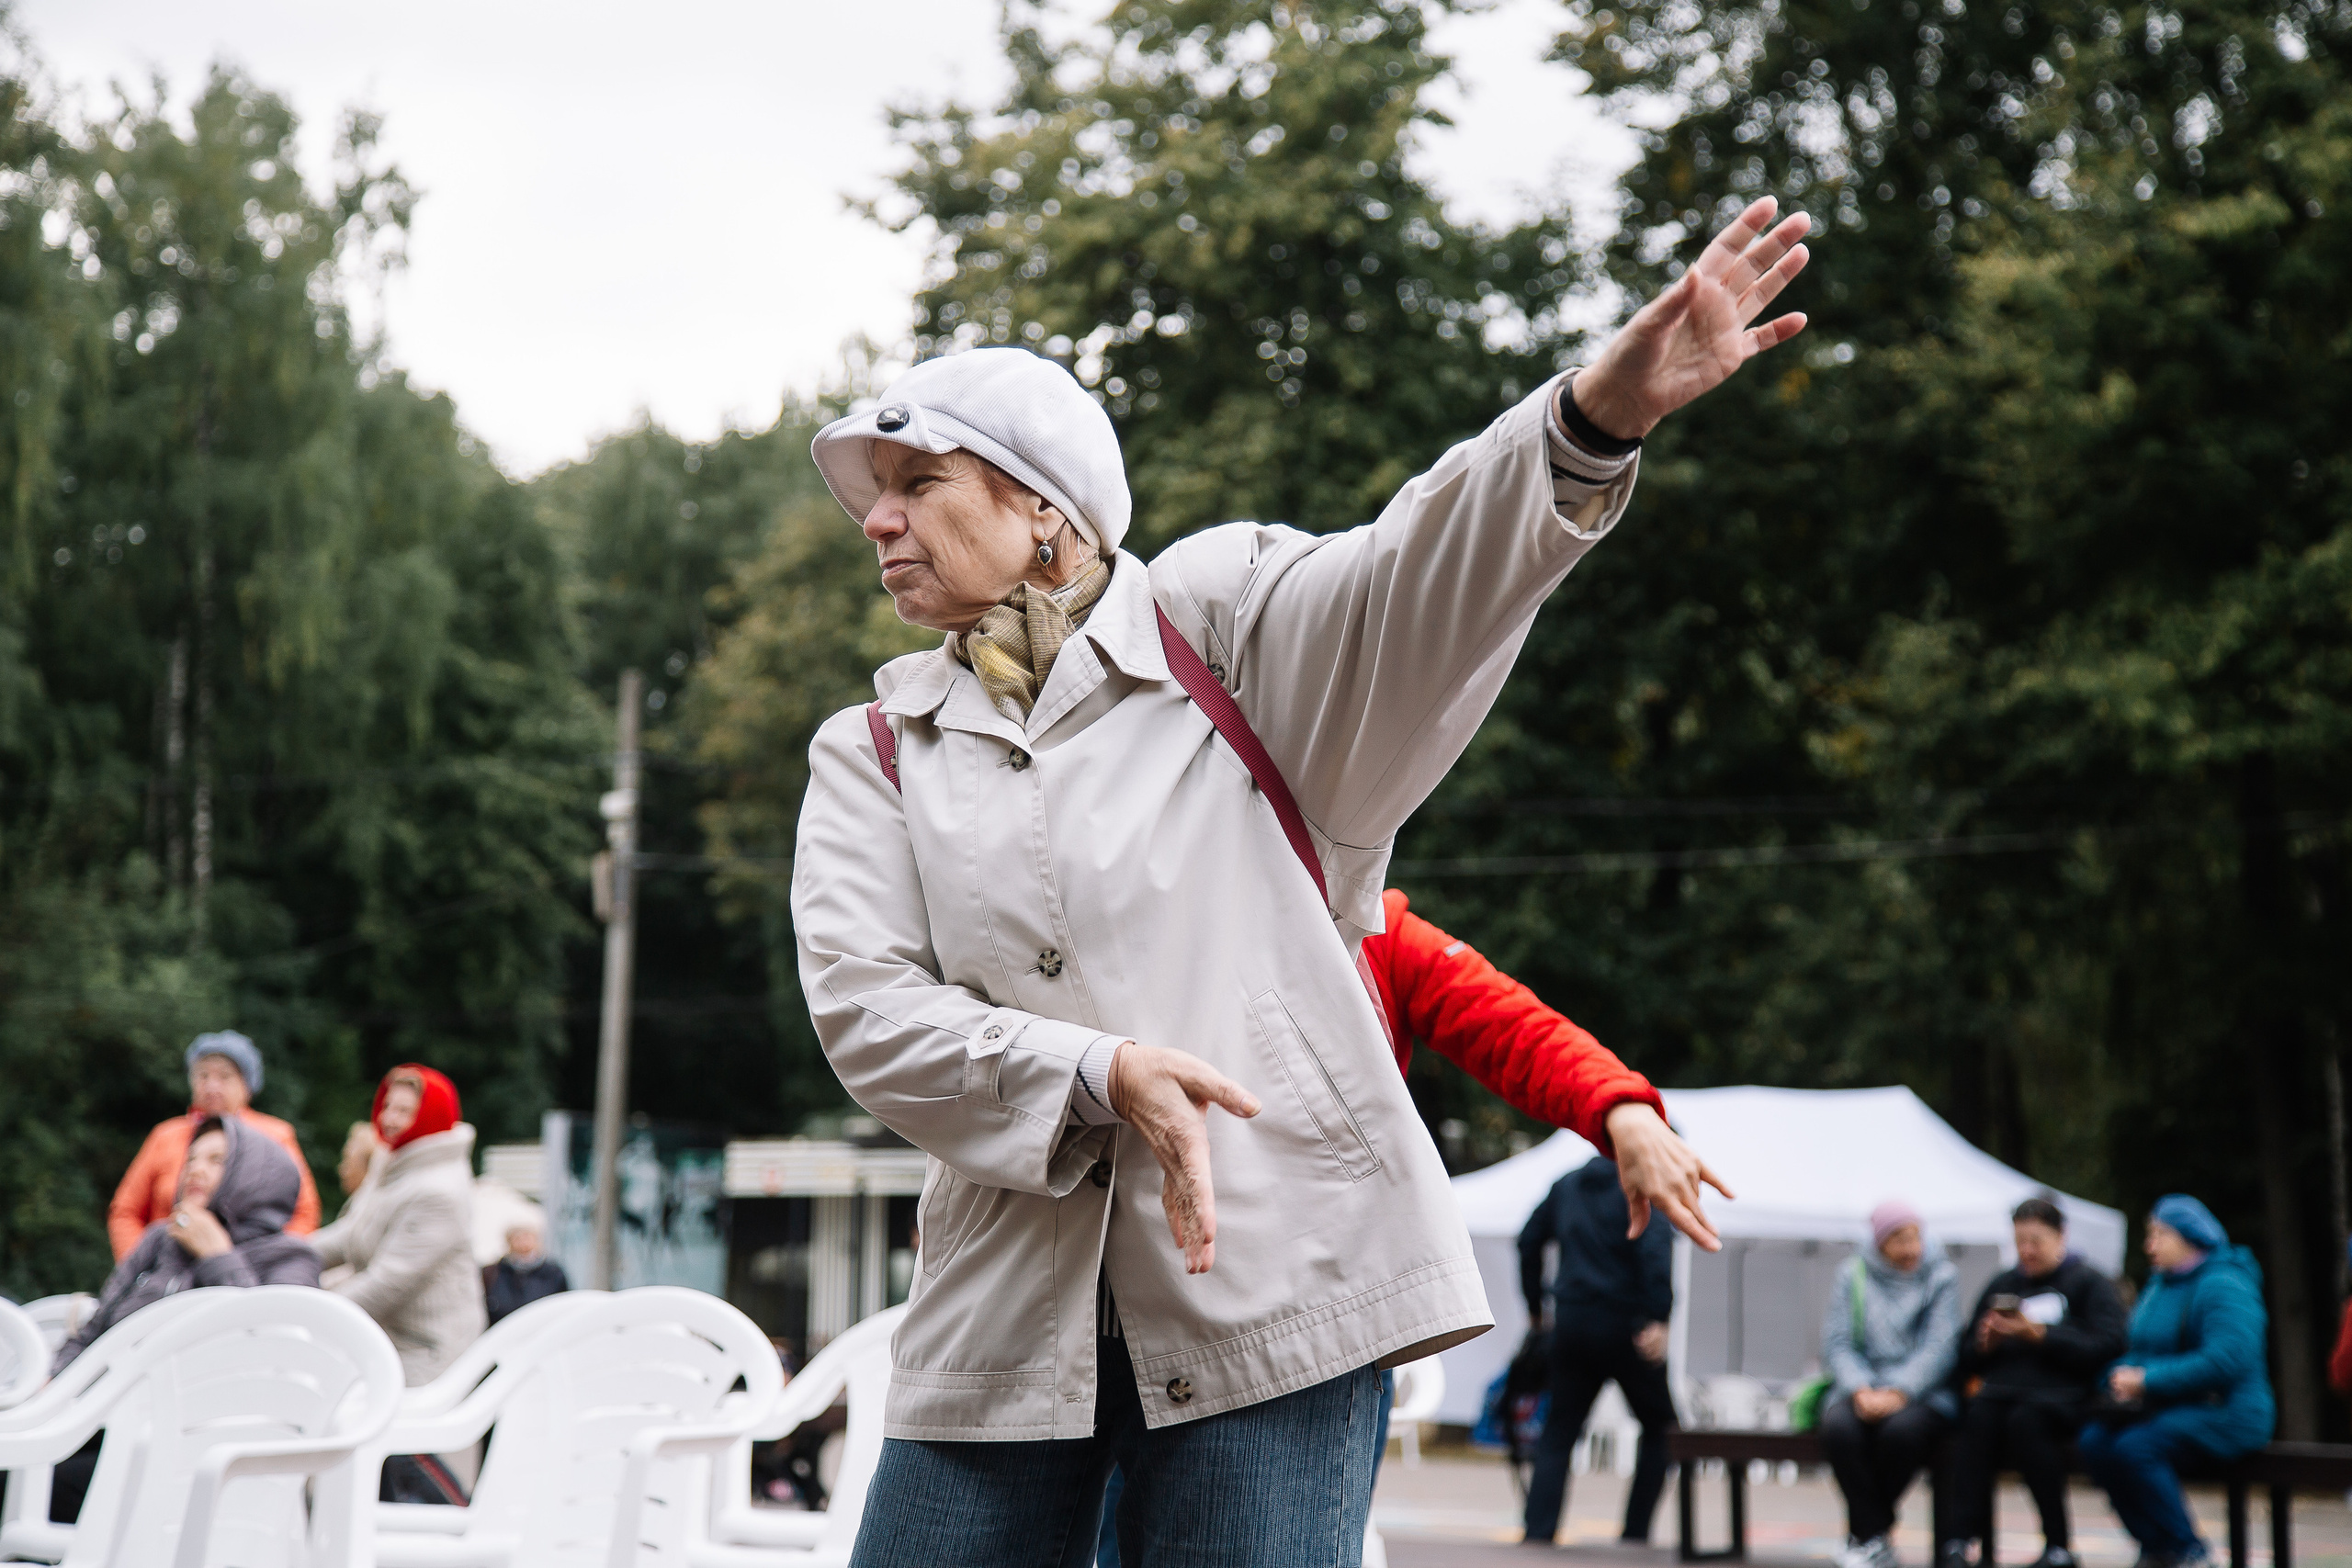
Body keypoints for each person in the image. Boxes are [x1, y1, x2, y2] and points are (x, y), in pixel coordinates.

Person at [795, 195, 1808, 1566]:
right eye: (874, 498)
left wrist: (1586, 423)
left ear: (1041, 507)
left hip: (1280, 1280)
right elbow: (868, 1011)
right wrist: (1100, 1070)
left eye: (919, 485)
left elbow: (1418, 580)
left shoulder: (1221, 626)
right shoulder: (873, 748)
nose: (880, 523)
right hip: (997, 1310)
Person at [1095, 889, 1725, 1563]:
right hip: (1118, 1303)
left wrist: (1617, 1105)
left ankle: (1544, 1528)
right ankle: (1598, 1533)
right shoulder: (1150, 901)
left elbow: (1505, 1022)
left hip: (1289, 1319)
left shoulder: (1369, 922)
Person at [45, 1116, 320, 1522]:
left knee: (47, 1483)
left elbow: (273, 1357)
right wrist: (51, 1383)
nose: (195, 1168)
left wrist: (218, 1257)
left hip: (198, 1450)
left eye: (216, 1159)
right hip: (101, 1420)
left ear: (257, 1176)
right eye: (191, 1158)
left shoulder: (291, 1259)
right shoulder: (160, 1238)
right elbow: (94, 1330)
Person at [2076, 1196, 2275, 1568]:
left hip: (2230, 1411)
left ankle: (2189, 1550)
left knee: (2137, 1447)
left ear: (2190, 1237)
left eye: (2158, 1235)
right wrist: (2116, 1377)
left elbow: (2227, 1359)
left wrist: (2149, 1381)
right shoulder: (2160, 1286)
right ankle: (2155, 1544)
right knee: (2094, 1442)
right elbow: (2140, 1349)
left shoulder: (2225, 1283)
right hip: (2173, 1407)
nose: (2149, 1245)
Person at [1940, 1197, 2129, 1568]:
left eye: (2036, 1241)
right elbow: (1964, 1355)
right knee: (1977, 1419)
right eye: (2020, 1241)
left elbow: (2108, 1344)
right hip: (2000, 1395)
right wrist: (1985, 1344)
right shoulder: (2004, 1284)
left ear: (2062, 1237)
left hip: (2064, 1400)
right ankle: (1960, 1541)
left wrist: (2041, 1334)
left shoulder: (2090, 1283)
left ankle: (2058, 1545)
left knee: (2027, 1422)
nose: (2026, 1251)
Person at [1516, 1152, 1679, 1546]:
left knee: (1559, 1432)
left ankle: (1538, 1535)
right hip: (1628, 1326)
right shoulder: (1643, 1185)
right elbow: (1654, 1253)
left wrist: (1537, 1309)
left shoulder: (1569, 1184)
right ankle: (1635, 1534)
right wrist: (1659, 1315)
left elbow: (1527, 1240)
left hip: (1572, 1324)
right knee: (1663, 1430)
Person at [307, 1065, 485, 1385]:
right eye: (387, 1106)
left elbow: (387, 1282)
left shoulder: (440, 1191)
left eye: (405, 1110)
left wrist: (311, 1313)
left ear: (431, 1114)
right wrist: (284, 1255)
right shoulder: (394, 1160)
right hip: (386, 1337)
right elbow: (351, 1234)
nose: (389, 1118)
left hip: (424, 1351)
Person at [1820, 1200, 1962, 1568]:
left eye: (1916, 1237)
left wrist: (1899, 1391)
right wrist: (1862, 1389)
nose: (1911, 1249)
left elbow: (1941, 1346)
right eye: (1900, 1239)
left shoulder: (1941, 1276)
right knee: (1839, 1430)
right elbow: (1837, 1343)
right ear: (1880, 1242)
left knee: (1901, 1434)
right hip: (1861, 1387)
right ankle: (1875, 1538)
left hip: (1923, 1391)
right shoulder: (1852, 1275)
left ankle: (1866, 1536)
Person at [107, 1030, 322, 1259]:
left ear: (247, 1086)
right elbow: (125, 1212)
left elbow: (304, 1213)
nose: (212, 1087)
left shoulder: (274, 1136)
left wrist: (272, 1265)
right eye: (203, 1076)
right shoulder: (166, 1136)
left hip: (251, 1272)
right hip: (168, 1272)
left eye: (225, 1077)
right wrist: (140, 1267)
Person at [482, 1222, 569, 1326]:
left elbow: (564, 1305)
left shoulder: (552, 1273)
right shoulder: (494, 1273)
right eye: (517, 1238)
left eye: (527, 1237)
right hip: (505, 1332)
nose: (523, 1243)